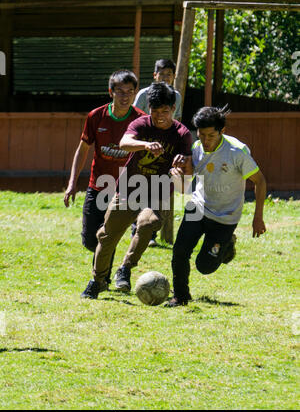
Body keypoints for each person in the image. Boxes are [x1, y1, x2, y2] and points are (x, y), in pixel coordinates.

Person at [81, 82, 193, 299]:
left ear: (173, 110)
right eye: (155, 111)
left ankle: (125, 268)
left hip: (159, 191)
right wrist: (145, 145)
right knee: (106, 236)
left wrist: (181, 168)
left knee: (148, 223)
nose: (160, 116)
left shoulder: (182, 134)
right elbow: (124, 142)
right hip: (130, 188)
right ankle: (98, 280)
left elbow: (186, 177)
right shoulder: (141, 124)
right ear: (149, 109)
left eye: (165, 111)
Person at [166, 105, 267, 307]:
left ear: (222, 131)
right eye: (201, 135)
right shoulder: (196, 148)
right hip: (199, 206)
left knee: (204, 266)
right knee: (180, 250)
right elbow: (187, 182)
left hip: (225, 217)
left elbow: (260, 181)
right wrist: (177, 173)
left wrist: (258, 217)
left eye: (210, 135)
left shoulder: (237, 152)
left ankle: (227, 243)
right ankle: (180, 296)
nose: (205, 141)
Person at [64, 70, 145, 284]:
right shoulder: (96, 116)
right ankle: (105, 270)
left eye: (130, 91)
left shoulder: (140, 120)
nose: (125, 96)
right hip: (98, 186)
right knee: (91, 240)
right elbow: (82, 149)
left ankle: (102, 279)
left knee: (109, 234)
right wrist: (72, 183)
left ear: (135, 93)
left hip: (126, 189)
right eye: (120, 91)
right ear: (111, 92)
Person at [132, 58, 182, 246]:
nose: (165, 78)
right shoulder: (144, 94)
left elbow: (176, 121)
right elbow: (135, 118)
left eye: (169, 75)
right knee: (138, 187)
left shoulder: (176, 96)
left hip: (165, 148)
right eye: (162, 74)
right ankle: (135, 228)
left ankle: (150, 233)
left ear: (174, 77)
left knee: (158, 188)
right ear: (155, 75)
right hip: (144, 146)